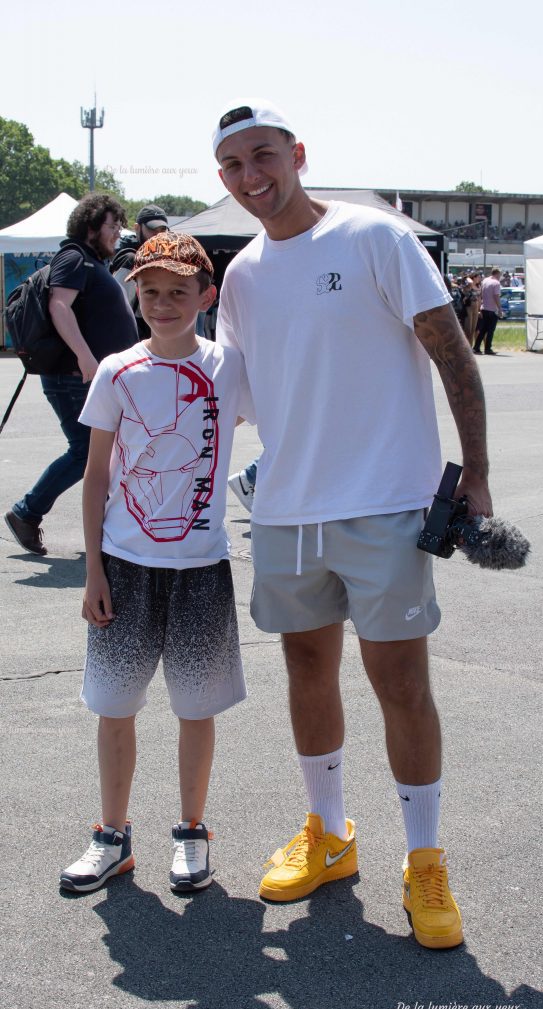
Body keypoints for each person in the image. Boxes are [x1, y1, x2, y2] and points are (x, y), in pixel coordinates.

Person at [213, 98, 492, 949]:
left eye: (264, 156)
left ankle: (425, 860)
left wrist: (476, 472)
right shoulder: (241, 275)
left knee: (402, 684)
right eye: (233, 167)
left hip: (383, 505)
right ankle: (329, 835)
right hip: (288, 510)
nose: (251, 177)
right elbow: (241, 396)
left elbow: (451, 351)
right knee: (306, 672)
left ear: (297, 152)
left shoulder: (377, 237)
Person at [59, 231, 254, 894]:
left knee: (195, 709)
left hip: (201, 569)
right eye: (150, 291)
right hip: (124, 566)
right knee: (116, 708)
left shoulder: (231, 368)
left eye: (179, 291)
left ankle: (192, 833)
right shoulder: (118, 370)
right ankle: (112, 835)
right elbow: (94, 478)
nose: (163, 303)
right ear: (134, 295)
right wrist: (92, 572)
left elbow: (294, 418)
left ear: (207, 294)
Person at [4, 193, 139, 556]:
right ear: (92, 227)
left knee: (105, 453)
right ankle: (26, 513)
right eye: (112, 226)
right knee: (85, 452)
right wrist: (85, 358)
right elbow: (59, 305)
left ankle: (111, 526)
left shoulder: (91, 261)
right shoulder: (74, 256)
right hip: (73, 377)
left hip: (87, 377)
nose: (117, 233)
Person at [110, 203, 169, 339]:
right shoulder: (131, 259)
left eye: (162, 230)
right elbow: (117, 306)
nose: (157, 236)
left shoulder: (156, 259)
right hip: (129, 338)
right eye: (152, 229)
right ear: (137, 228)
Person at [474, 267, 503, 354]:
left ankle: (476, 347)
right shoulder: (496, 283)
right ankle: (487, 348)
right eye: (500, 274)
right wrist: (499, 308)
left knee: (483, 330)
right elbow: (496, 296)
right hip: (492, 309)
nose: (500, 276)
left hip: (484, 307)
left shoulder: (485, 281)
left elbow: (481, 293)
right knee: (490, 330)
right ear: (497, 274)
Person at [462, 270, 482, 347]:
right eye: (478, 277)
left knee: (473, 329)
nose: (479, 279)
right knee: (468, 328)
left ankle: (470, 346)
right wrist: (469, 277)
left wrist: (479, 310)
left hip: (476, 306)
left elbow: (479, 298)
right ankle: (466, 346)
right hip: (469, 306)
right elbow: (469, 282)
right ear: (474, 277)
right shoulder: (468, 284)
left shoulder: (478, 286)